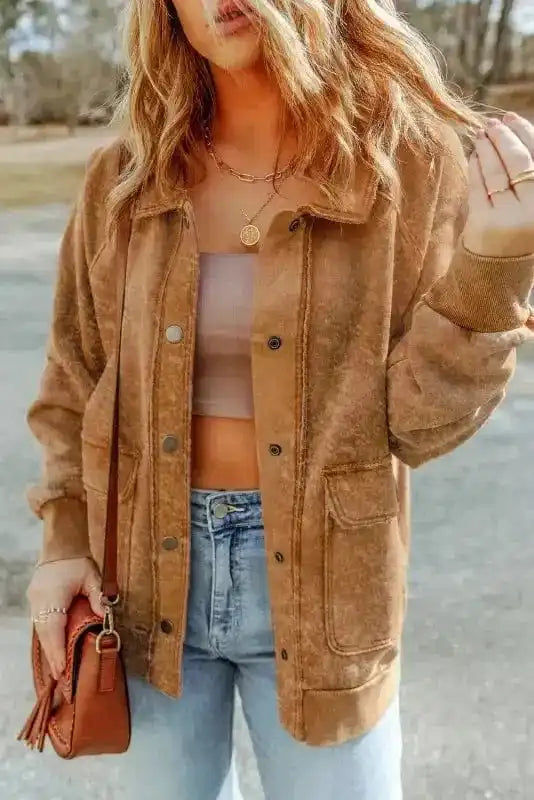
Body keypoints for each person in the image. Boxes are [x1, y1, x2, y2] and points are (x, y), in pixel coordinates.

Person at [24, 1, 534, 798]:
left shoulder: (409, 167)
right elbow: (73, 378)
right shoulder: (126, 177)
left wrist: (493, 269)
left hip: (330, 590)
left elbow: (419, 426)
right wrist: (62, 543)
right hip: (146, 582)